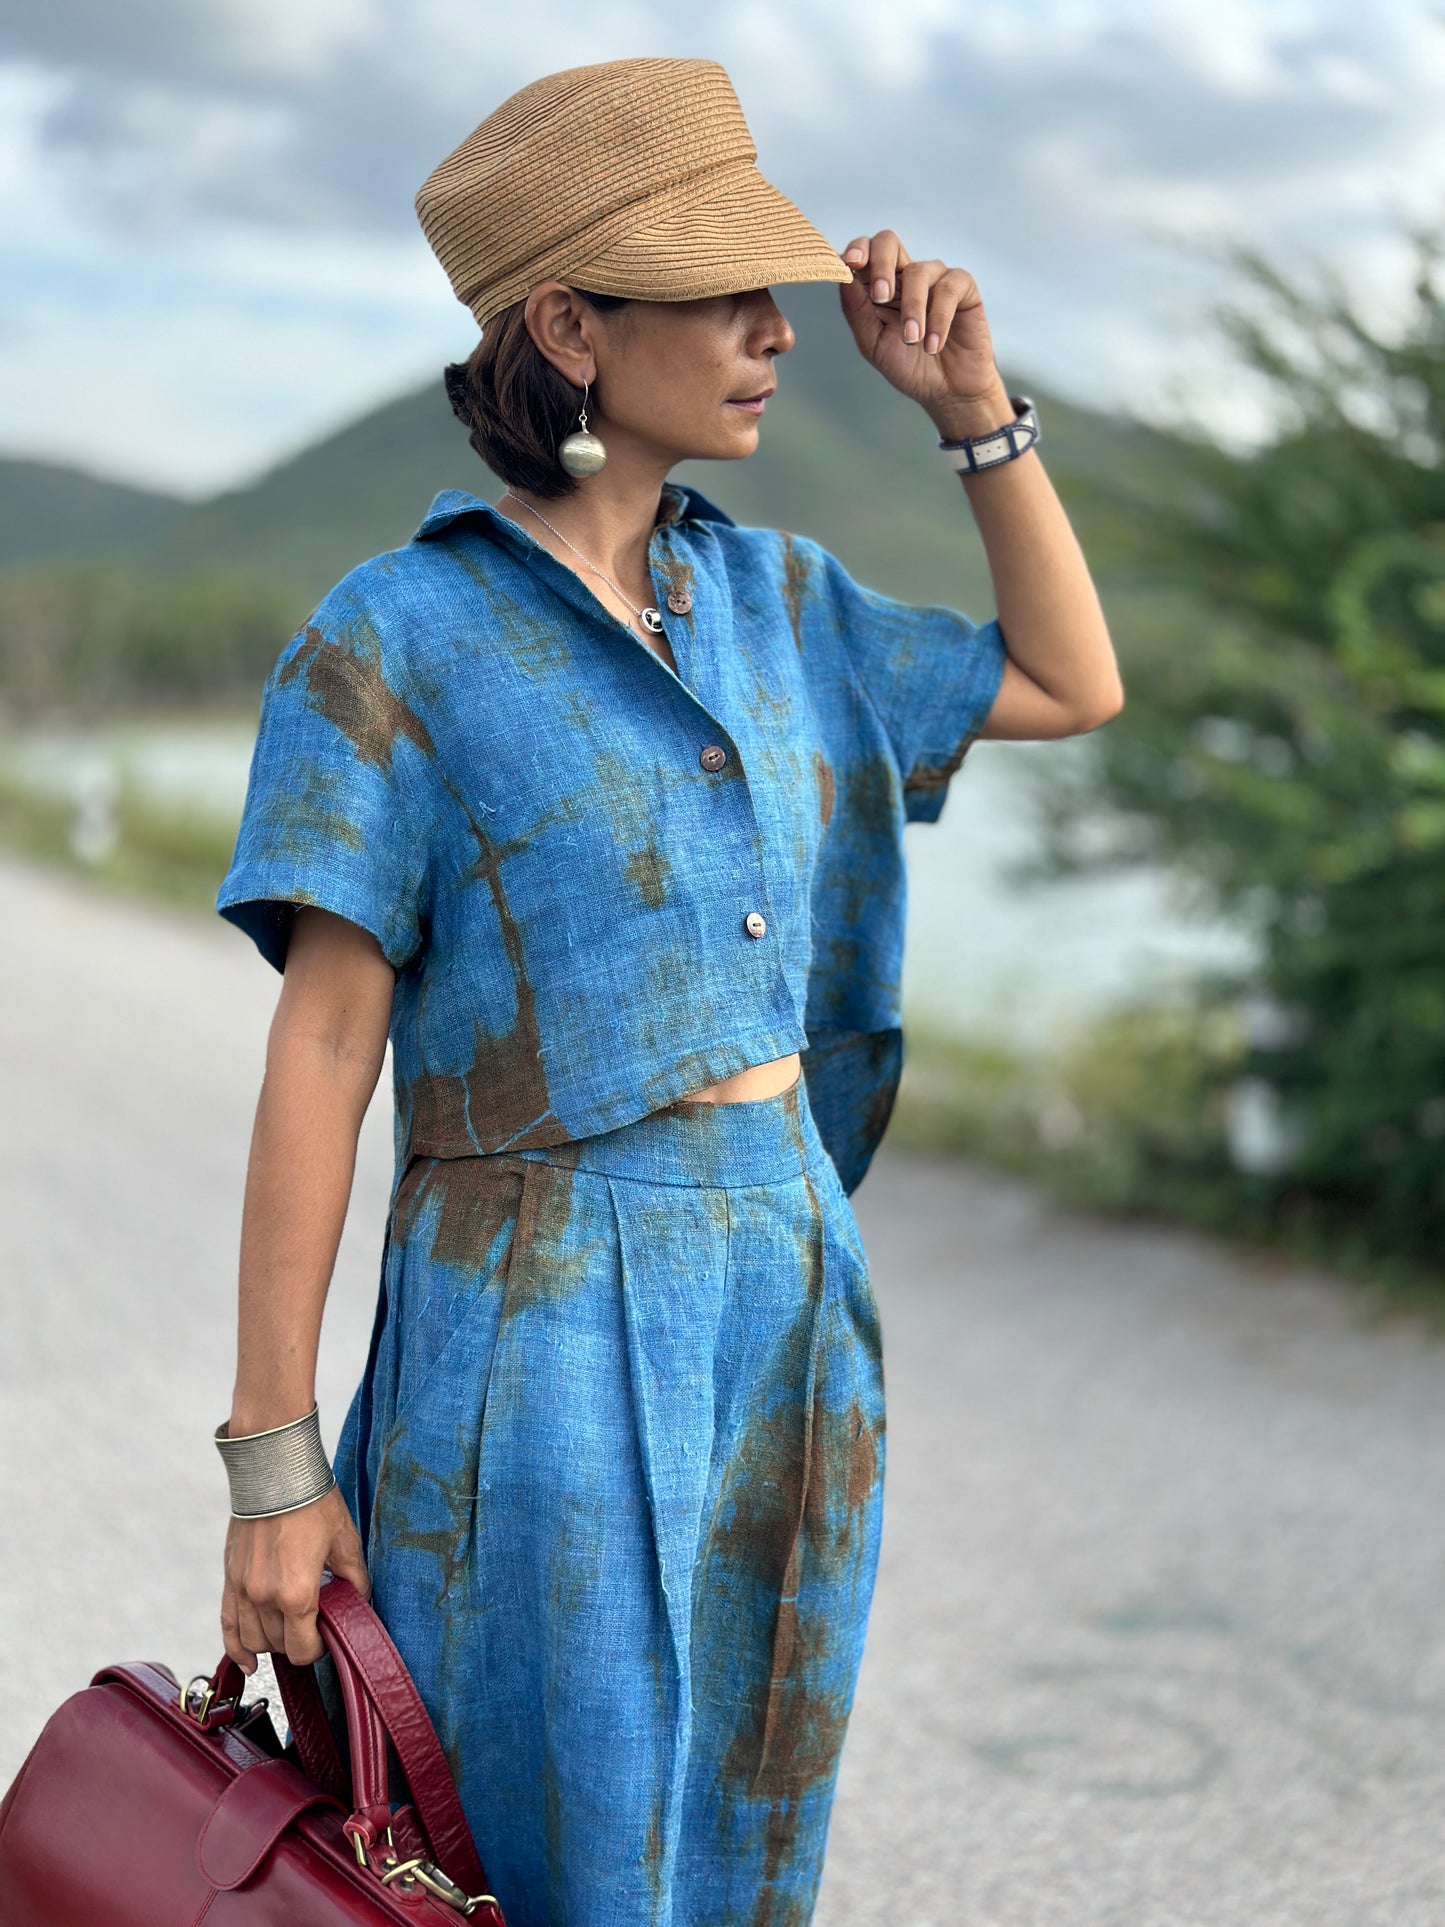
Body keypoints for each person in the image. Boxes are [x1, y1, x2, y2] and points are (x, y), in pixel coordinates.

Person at [210, 54, 1123, 1927]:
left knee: (741, 1828)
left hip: (787, 1282)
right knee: (538, 1854)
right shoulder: (398, 636)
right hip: (535, 1305)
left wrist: (974, 415)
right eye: (719, 292)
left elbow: (1067, 680)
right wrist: (274, 1462)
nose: (771, 329)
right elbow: (319, 1044)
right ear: (567, 322)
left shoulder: (784, 602)